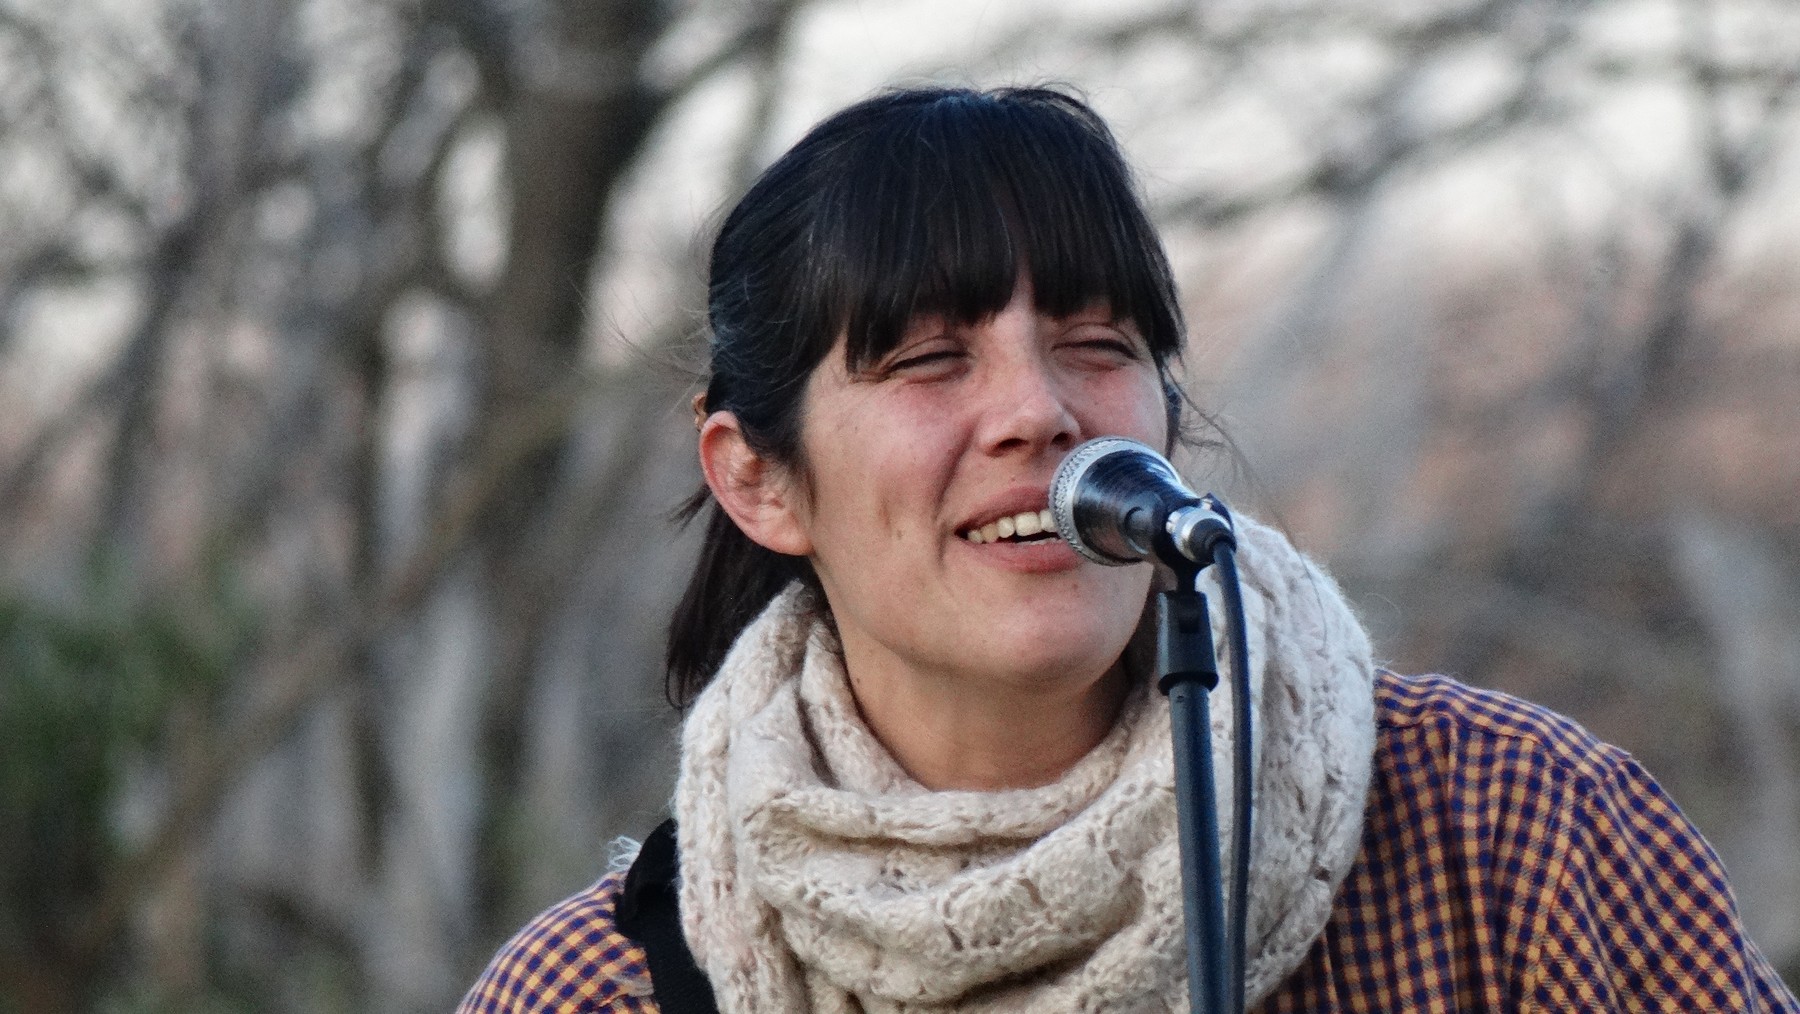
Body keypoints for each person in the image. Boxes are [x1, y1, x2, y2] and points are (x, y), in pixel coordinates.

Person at [457, 87, 1798, 1013]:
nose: (1038, 410)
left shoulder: (1509, 833)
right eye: (930, 361)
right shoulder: (597, 991)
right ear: (757, 478)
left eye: (1096, 345)